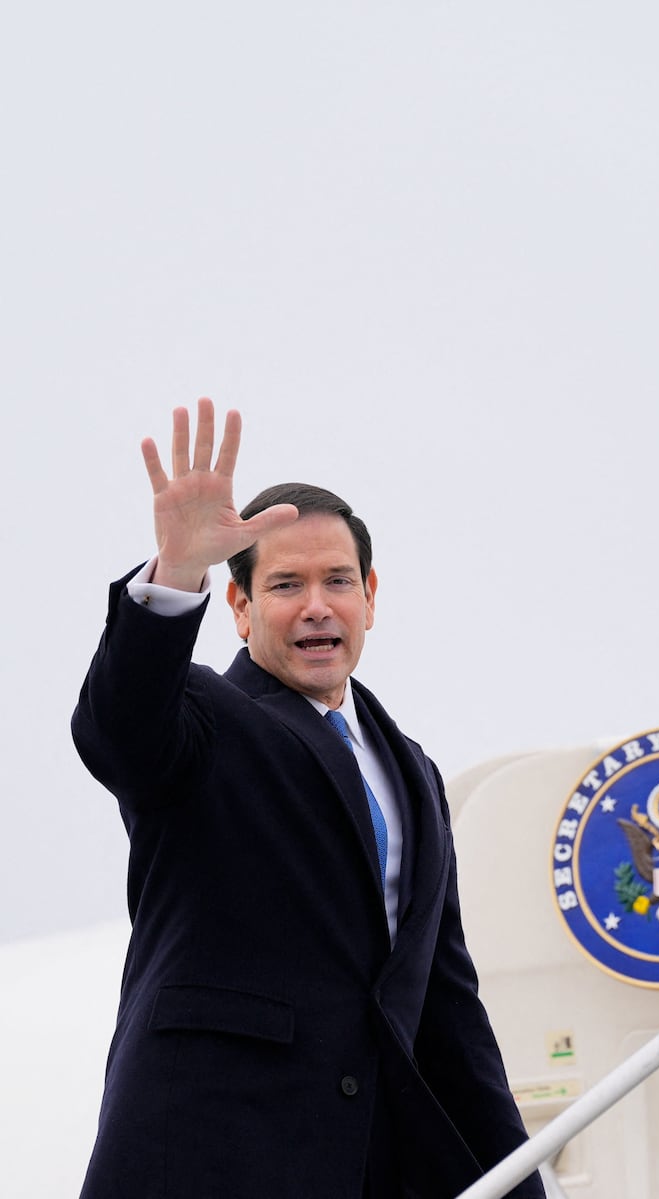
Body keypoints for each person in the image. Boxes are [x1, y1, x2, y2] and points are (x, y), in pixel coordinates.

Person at [72, 399, 545, 1199]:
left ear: (370, 596)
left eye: (337, 581)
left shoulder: (414, 772)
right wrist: (176, 572)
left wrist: (518, 1182)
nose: (317, 604)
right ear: (241, 607)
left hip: (367, 1167)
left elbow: (447, 1014)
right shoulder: (205, 721)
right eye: (286, 584)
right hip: (207, 1158)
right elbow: (118, 730)